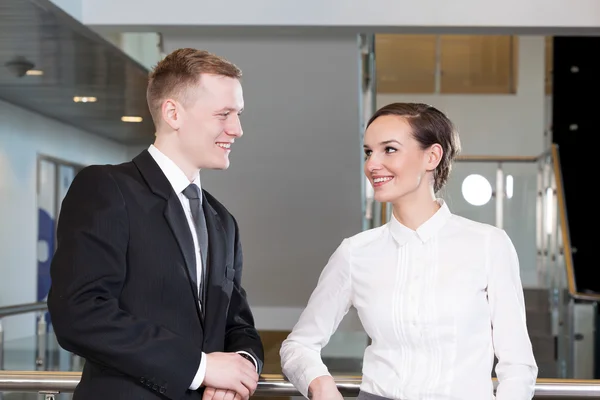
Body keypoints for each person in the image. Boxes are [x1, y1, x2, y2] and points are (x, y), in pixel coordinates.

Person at [280, 103, 537, 400]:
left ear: (432, 156)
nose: (372, 164)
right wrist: (321, 384)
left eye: (389, 149)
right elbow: (298, 345)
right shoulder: (355, 253)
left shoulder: (489, 244)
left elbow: (517, 364)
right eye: (368, 152)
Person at [48, 48, 264, 400]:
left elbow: (237, 323)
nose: (237, 129)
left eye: (238, 114)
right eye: (224, 114)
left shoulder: (222, 220)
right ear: (173, 113)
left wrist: (241, 363)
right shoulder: (106, 188)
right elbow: (79, 312)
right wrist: (201, 368)